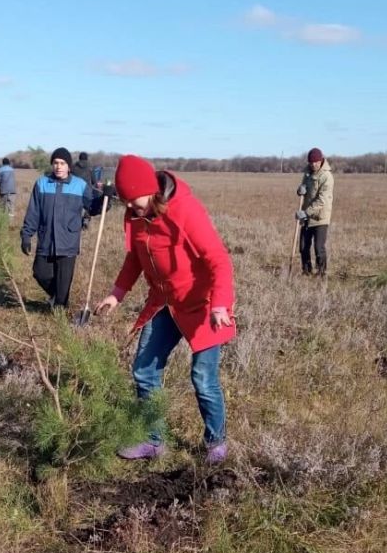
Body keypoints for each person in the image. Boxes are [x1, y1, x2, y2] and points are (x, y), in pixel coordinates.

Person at [95, 154, 235, 464]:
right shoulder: (135, 215)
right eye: (126, 203)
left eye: (135, 200)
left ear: (151, 190)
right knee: (144, 370)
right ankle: (153, 440)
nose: (131, 208)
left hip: (202, 304)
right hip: (163, 302)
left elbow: (218, 259)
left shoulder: (185, 210)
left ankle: (216, 443)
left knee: (202, 378)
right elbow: (135, 257)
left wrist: (220, 303)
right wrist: (117, 294)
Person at [21, 147, 98, 309]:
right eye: (55, 163)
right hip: (46, 239)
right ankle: (56, 297)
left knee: (63, 286)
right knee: (40, 272)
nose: (59, 166)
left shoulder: (79, 185)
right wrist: (26, 235)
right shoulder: (42, 183)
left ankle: (60, 314)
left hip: (68, 241)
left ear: (69, 166)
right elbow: (33, 212)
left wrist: (105, 198)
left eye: (62, 163)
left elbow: (92, 206)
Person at [295, 147, 334, 276]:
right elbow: (303, 189)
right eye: (311, 163)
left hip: (320, 218)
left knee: (319, 248)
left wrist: (306, 212)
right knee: (303, 247)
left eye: (316, 162)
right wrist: (300, 190)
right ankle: (306, 271)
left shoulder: (327, 177)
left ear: (321, 160)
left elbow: (322, 200)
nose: (313, 165)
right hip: (306, 216)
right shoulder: (307, 173)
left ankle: (322, 273)